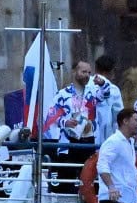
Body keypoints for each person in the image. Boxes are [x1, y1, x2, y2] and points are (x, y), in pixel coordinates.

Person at [41, 60, 96, 195]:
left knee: (88, 181)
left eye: (89, 73)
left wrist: (91, 125)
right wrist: (65, 122)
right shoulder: (62, 94)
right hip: (68, 143)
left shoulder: (93, 94)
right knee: (66, 182)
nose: (87, 75)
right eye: (83, 72)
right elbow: (50, 117)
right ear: (74, 72)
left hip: (88, 142)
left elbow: (99, 115)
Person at [95, 107, 137, 203]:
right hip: (113, 199)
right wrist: (111, 187)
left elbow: (131, 169)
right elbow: (102, 165)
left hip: (125, 200)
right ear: (125, 121)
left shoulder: (129, 142)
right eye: (136, 120)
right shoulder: (113, 141)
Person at [83, 56, 124, 148]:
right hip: (104, 137)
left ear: (96, 68)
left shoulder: (85, 85)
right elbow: (118, 117)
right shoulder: (113, 89)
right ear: (111, 71)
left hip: (84, 133)